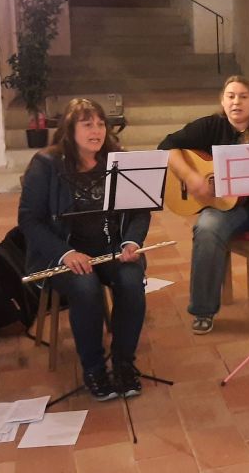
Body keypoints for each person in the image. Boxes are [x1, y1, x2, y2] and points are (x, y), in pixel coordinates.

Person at [19, 98, 150, 400]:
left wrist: (131, 242)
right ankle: (93, 368)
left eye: (101, 124)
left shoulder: (117, 159)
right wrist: (66, 254)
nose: (97, 131)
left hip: (112, 248)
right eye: (87, 124)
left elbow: (140, 210)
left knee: (132, 280)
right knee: (85, 286)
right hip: (64, 253)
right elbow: (29, 220)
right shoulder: (46, 164)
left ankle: (123, 363)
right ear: (70, 129)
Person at [158, 75, 249, 335]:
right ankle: (202, 310)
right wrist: (191, 177)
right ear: (222, 101)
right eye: (231, 96)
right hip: (225, 204)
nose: (236, 102)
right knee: (206, 229)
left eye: (243, 97)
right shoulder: (210, 126)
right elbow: (167, 146)